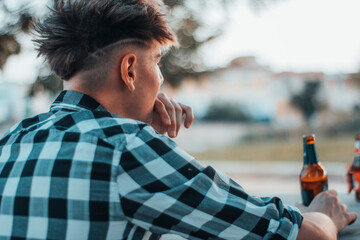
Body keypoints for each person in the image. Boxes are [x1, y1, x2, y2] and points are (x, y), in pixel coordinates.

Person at [0, 0, 356, 239]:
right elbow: (298, 235)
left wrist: (144, 131)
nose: (160, 80)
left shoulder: (10, 142)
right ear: (129, 69)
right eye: (156, 62)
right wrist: (325, 213)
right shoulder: (128, 148)